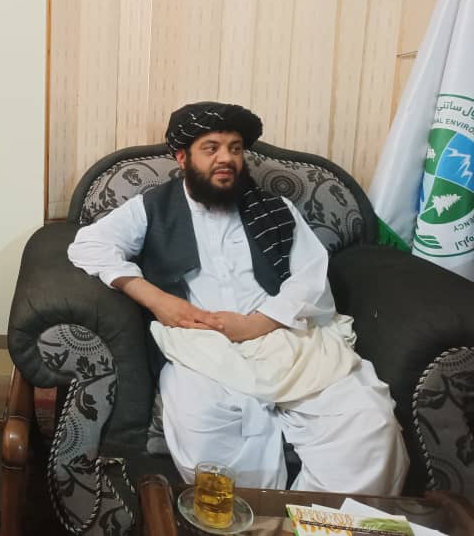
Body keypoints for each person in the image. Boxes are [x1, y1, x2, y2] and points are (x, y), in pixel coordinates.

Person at [68, 101, 409, 494]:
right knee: (201, 426)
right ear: (183, 157)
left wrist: (256, 323)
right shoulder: (152, 208)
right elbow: (88, 245)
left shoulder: (274, 209)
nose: (225, 159)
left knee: (369, 421)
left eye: (234, 148)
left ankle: (319, 517)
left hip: (283, 335)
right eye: (211, 148)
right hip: (201, 346)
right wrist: (155, 299)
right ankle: (256, 517)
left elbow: (310, 278)